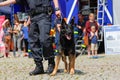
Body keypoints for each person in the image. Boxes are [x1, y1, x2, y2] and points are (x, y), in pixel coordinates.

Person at [0, 0, 61, 75]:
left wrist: (57, 9)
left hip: (44, 15)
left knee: (45, 39)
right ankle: (39, 66)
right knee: (33, 41)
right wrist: (1, 4)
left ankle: (51, 63)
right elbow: (14, 0)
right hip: (33, 17)